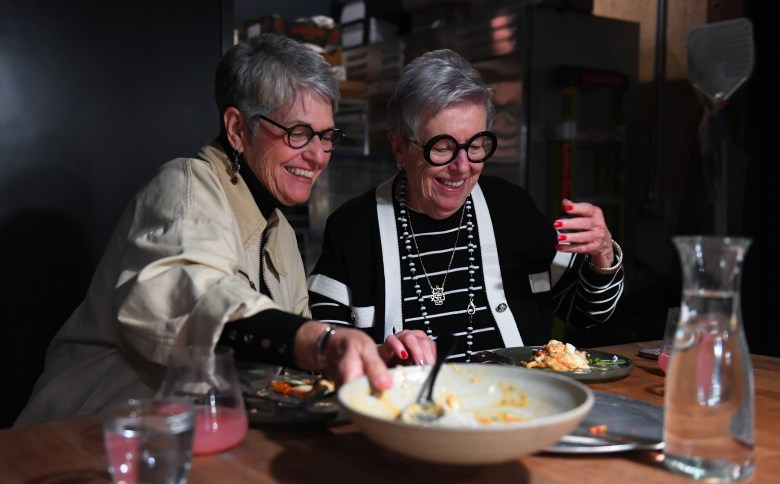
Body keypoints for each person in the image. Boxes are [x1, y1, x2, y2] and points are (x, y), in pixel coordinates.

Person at [15, 34, 435, 427]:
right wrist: (321, 341)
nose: (318, 155)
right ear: (236, 129)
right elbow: (195, 300)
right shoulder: (186, 184)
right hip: (79, 440)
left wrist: (367, 358)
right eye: (298, 133)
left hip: (183, 440)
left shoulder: (280, 232)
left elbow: (293, 356)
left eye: (326, 136)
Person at [307, 48, 625, 360]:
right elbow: (319, 349)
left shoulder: (512, 209)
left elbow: (586, 312)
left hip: (516, 394)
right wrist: (378, 354)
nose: (462, 167)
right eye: (442, 147)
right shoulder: (353, 229)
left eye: (475, 146)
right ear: (400, 148)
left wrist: (602, 255)